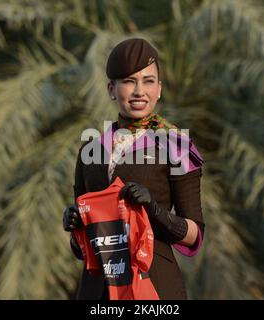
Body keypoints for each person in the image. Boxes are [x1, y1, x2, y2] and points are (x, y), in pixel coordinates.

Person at [63, 38, 205, 300]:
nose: (140, 91)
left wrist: (154, 211)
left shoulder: (176, 147)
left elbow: (194, 235)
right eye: (129, 81)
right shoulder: (90, 150)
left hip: (155, 287)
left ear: (159, 89)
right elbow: (83, 248)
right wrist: (76, 229)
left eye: (149, 81)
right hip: (98, 291)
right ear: (111, 89)